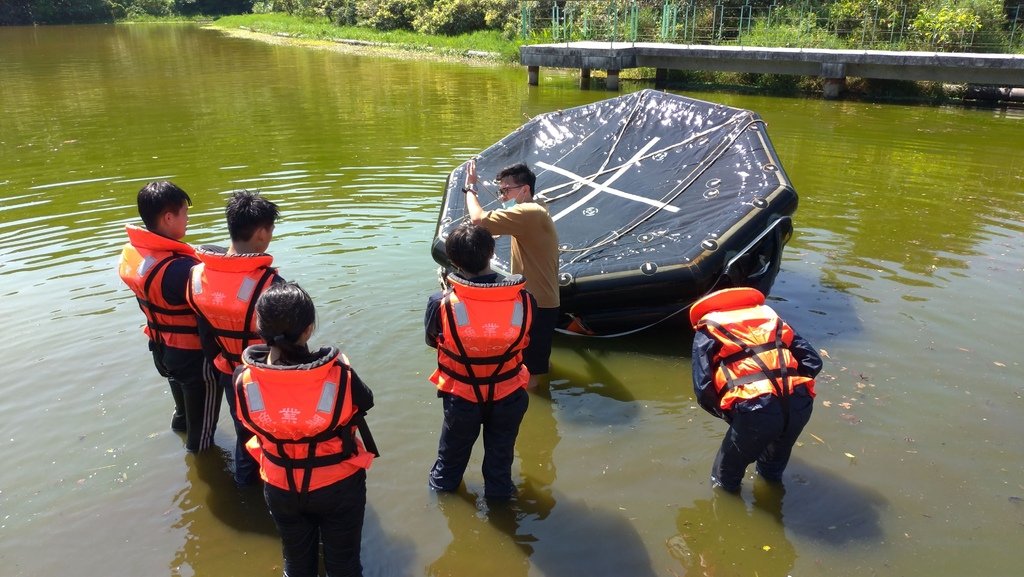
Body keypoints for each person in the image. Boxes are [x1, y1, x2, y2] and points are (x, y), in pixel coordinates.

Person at [234, 282, 377, 577]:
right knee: (344, 565)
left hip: (280, 485)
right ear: (309, 329)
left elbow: (247, 425)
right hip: (337, 487)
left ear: (259, 328)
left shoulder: (243, 379)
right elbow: (366, 402)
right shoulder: (339, 374)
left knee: (297, 565)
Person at [424, 223, 536, 499]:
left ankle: (442, 510)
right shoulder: (525, 299)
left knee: (448, 468)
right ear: (491, 253)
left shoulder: (440, 302)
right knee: (500, 467)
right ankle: (501, 507)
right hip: (509, 395)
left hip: (462, 397)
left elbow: (432, 340)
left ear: (453, 261)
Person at [186, 189, 282, 487]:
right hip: (265, 376)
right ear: (263, 232)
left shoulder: (197, 276)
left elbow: (205, 333)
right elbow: (285, 342)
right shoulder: (270, 285)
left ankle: (245, 488)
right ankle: (272, 488)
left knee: (244, 432)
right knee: (272, 437)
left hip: (229, 370)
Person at [118, 181, 219, 453]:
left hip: (161, 349)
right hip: (192, 357)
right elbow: (215, 304)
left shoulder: (135, 254)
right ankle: (202, 474)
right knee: (203, 434)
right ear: (168, 218)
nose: (188, 218)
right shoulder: (181, 269)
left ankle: (178, 439)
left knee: (183, 415)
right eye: (185, 212)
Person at [690, 287, 823, 493]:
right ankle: (773, 499)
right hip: (800, 403)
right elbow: (813, 361)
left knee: (724, 480)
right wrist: (788, 389)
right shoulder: (770, 317)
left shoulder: (708, 328)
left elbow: (703, 388)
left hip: (756, 408)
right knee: (772, 470)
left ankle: (728, 517)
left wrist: (732, 415)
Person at [464, 160, 559, 389]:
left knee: (531, 372)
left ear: (525, 189)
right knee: (527, 357)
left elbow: (478, 220)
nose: (502, 196)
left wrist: (470, 188)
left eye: (506, 190)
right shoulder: (538, 207)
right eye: (500, 190)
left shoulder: (529, 212)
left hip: (539, 303)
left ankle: (531, 411)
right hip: (534, 299)